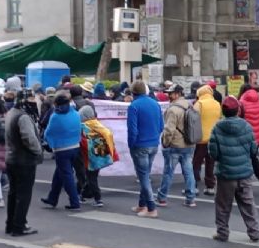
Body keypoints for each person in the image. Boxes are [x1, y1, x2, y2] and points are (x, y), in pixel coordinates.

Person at [208, 96, 259, 242]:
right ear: (238, 110)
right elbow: (253, 149)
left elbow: (213, 152)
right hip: (244, 173)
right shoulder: (246, 126)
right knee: (248, 204)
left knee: (222, 206)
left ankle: (222, 232)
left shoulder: (217, 128)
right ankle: (254, 231)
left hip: (225, 174)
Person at [5, 89, 43, 236]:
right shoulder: (23, 117)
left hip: (11, 158)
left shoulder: (11, 113)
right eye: (32, 100)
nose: (35, 103)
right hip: (24, 160)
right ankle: (19, 226)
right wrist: (38, 150)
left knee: (13, 193)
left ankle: (11, 224)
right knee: (23, 195)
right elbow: (29, 139)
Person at [126, 80, 163, 217]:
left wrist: (131, 144)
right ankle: (142, 205)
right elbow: (160, 126)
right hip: (153, 143)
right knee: (145, 175)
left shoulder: (133, 106)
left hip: (140, 145)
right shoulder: (155, 104)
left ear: (133, 92)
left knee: (144, 178)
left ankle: (151, 208)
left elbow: (132, 129)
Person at [40, 93, 83, 211]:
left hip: (61, 149)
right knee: (59, 174)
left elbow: (48, 132)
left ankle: (75, 202)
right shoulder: (75, 113)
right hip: (75, 147)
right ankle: (52, 198)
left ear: (56, 104)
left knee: (67, 176)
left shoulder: (55, 116)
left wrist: (47, 142)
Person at [158, 84, 198, 207]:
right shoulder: (190, 106)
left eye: (171, 93)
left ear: (177, 94)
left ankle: (162, 198)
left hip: (175, 145)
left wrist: (165, 142)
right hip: (189, 143)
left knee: (168, 172)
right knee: (188, 171)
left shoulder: (172, 110)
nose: (169, 95)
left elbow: (169, 130)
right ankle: (191, 198)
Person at [78, 106, 117, 208]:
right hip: (100, 153)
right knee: (92, 176)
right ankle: (83, 194)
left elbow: (81, 141)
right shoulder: (97, 124)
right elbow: (108, 134)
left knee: (91, 178)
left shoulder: (83, 126)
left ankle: (98, 198)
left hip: (90, 156)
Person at [238, 85, 259, 191]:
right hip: (257, 138)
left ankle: (243, 184)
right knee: (253, 158)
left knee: (242, 161)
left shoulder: (241, 103)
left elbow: (238, 119)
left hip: (244, 137)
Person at [194, 84, 222, 196]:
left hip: (201, 139)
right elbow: (219, 118)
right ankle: (210, 186)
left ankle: (193, 185)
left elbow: (193, 120)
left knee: (196, 163)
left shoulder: (199, 104)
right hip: (213, 138)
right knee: (210, 163)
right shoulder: (217, 104)